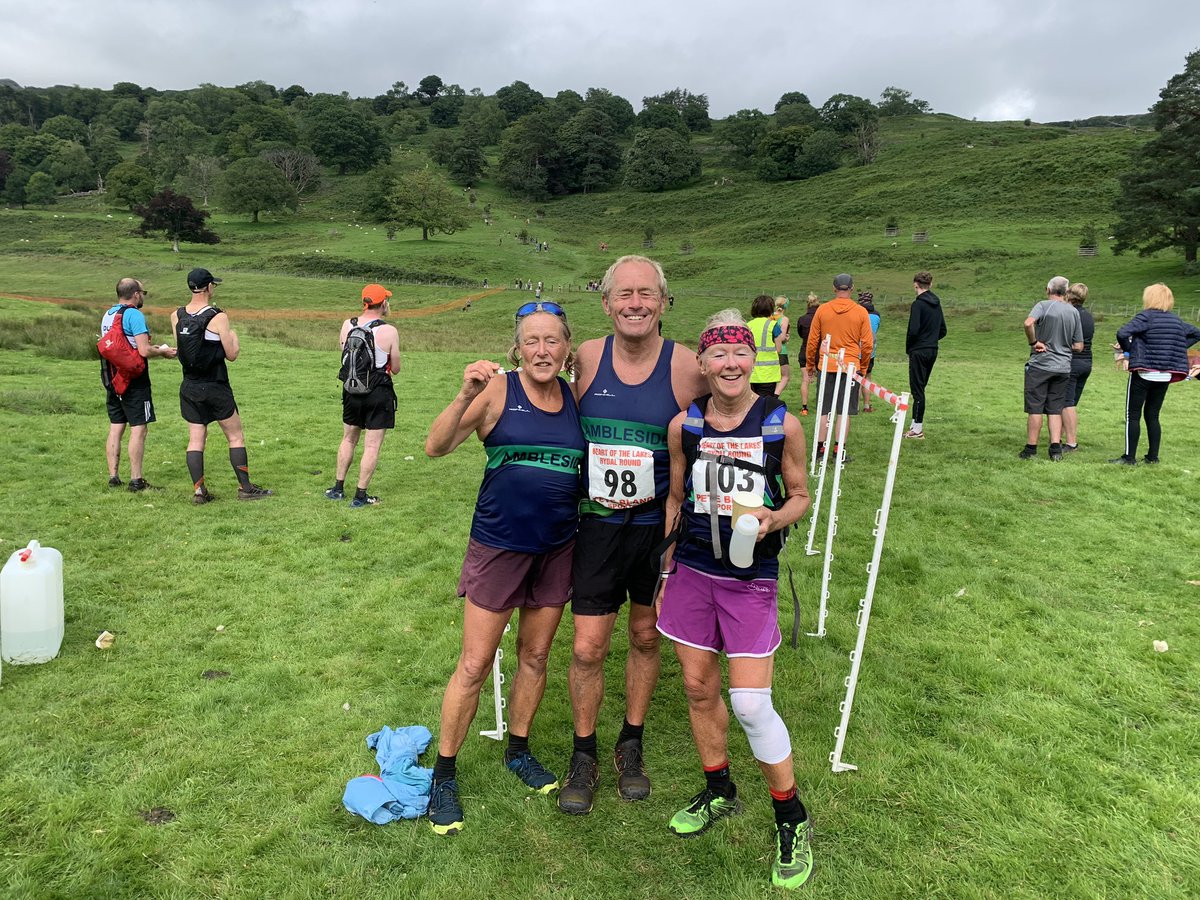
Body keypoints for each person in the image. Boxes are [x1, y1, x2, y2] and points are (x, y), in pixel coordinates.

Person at [658, 309, 814, 890]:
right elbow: (676, 498)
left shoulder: (781, 425)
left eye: (740, 354)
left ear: (755, 360)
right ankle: (719, 788)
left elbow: (800, 495)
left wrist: (773, 518)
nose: (730, 364)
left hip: (752, 577)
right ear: (702, 363)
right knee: (699, 688)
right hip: (694, 570)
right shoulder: (686, 427)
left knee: (749, 703)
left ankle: (790, 816)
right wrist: (667, 564)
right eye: (718, 355)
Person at [423, 301, 584, 835]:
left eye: (552, 341)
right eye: (532, 341)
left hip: (558, 548)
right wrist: (465, 394)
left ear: (566, 348)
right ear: (518, 348)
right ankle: (444, 774)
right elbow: (436, 446)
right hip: (499, 546)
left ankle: (518, 749)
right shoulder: (498, 388)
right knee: (474, 664)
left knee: (535, 656)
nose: (542, 350)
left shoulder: (574, 398)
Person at [558, 255, 707, 816]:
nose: (636, 303)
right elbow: (548, 400)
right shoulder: (587, 358)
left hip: (657, 529)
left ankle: (632, 741)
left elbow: (728, 419)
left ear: (664, 302)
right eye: (625, 294)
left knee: (646, 638)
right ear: (606, 302)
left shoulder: (689, 366)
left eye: (647, 293)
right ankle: (583, 751)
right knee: (587, 645)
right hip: (596, 526)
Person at [171, 268, 272, 503]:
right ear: (208, 287)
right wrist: (234, 335)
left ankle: (199, 491)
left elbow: (180, 350)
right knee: (235, 436)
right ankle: (245, 488)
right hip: (216, 386)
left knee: (196, 439)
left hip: (189, 386)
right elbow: (232, 354)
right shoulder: (218, 316)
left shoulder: (176, 315)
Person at [324, 284, 401, 507]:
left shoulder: (348, 324)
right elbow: (395, 368)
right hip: (378, 391)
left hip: (351, 390)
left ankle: (337, 488)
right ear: (383, 303)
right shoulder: (389, 331)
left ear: (364, 302)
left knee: (348, 438)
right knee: (371, 446)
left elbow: (346, 357)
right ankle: (360, 495)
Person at [1109, 283, 1200, 465]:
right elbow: (1197, 333)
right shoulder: (1176, 321)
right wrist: (1178, 347)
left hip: (1144, 373)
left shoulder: (1146, 317)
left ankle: (1129, 457)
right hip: (1165, 375)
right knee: (1153, 414)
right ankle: (1152, 457)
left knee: (1133, 414)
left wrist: (1130, 351)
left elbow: (1122, 332)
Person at [101, 277, 176, 491]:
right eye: (143, 292)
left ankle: (113, 477)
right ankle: (136, 480)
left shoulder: (108, 314)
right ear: (135, 294)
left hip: (112, 376)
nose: (143, 296)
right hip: (133, 379)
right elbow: (143, 350)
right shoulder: (134, 314)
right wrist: (163, 351)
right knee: (139, 427)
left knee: (116, 426)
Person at [804, 274, 873, 460]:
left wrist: (810, 364)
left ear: (834, 288)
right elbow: (867, 344)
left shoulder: (822, 310)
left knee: (824, 408)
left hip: (826, 365)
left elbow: (813, 341)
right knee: (844, 411)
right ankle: (838, 449)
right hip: (850, 366)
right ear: (851, 289)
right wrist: (863, 366)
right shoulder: (860, 312)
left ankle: (820, 449)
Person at [1020, 276, 1083, 462]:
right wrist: (1062, 346)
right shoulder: (1073, 312)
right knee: (1055, 408)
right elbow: (1079, 345)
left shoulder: (1042, 305)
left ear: (1048, 290)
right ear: (1066, 292)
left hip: (1041, 364)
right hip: (1063, 367)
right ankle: (1055, 448)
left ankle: (1031, 448)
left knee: (1035, 408)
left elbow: (1028, 323)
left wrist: (1034, 342)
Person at [904, 271, 947, 438]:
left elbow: (913, 330)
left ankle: (917, 429)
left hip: (919, 350)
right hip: (932, 349)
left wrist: (910, 347)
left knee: (917, 389)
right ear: (931, 284)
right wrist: (931, 339)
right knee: (920, 388)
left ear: (915, 284)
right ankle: (915, 424)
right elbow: (943, 330)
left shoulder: (918, 305)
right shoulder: (937, 303)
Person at [1062, 282, 1094, 452]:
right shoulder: (1088, 315)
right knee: (1071, 402)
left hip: (1072, 361)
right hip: (1087, 362)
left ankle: (1071, 442)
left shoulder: (1070, 314)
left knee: (1066, 403)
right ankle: (1059, 437)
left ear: (1069, 295)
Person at [747, 294, 783, 398]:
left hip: (751, 373)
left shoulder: (748, 325)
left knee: (751, 403)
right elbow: (779, 349)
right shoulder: (773, 325)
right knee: (765, 404)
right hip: (768, 374)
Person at [795, 294, 820, 416]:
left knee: (805, 380)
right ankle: (822, 406)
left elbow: (800, 334)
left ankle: (804, 408)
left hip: (804, 351)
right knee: (822, 381)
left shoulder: (802, 318)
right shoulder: (822, 318)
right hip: (819, 353)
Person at [857, 291, 880, 412]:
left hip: (856, 351)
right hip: (870, 351)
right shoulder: (876, 315)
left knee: (855, 379)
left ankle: (853, 406)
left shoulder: (856, 313)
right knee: (867, 378)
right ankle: (866, 405)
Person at [773, 295, 792, 396]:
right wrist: (787, 338)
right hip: (781, 350)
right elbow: (782, 337)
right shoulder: (784, 319)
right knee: (785, 376)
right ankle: (775, 396)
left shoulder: (770, 316)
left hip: (770, 350)